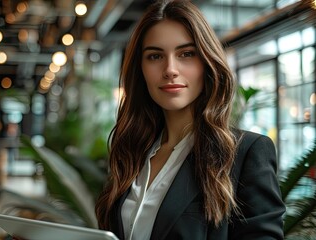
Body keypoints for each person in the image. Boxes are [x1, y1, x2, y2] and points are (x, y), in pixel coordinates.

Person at [94, 0, 285, 239]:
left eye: (186, 54)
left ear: (207, 62)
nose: (170, 69)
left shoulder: (245, 153)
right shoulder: (132, 152)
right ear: (140, 69)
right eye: (155, 56)